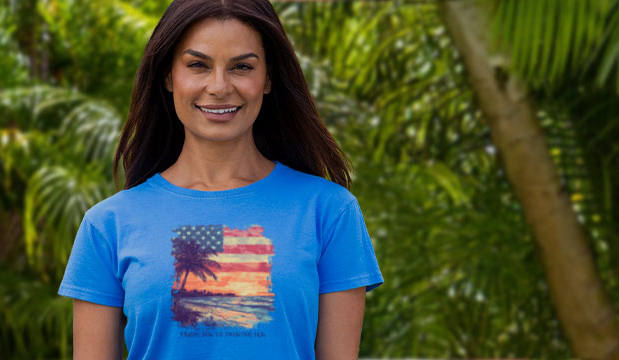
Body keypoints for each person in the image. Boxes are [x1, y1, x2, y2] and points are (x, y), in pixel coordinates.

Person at [57, 0, 381, 358]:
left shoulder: (329, 212)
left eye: (242, 67)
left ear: (268, 77)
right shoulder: (108, 225)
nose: (219, 86)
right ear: (168, 75)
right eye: (198, 65)